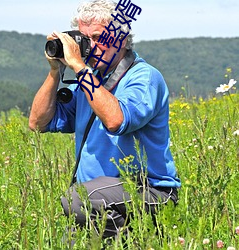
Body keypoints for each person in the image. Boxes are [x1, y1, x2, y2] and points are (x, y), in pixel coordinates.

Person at [29, 0, 181, 244]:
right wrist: (55, 70)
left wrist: (79, 66)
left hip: (149, 192)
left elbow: (116, 120)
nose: (91, 47)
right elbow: (38, 123)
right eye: (84, 38)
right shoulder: (88, 82)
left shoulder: (143, 77)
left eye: (98, 38)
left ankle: (135, 241)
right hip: (99, 199)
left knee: (77, 200)